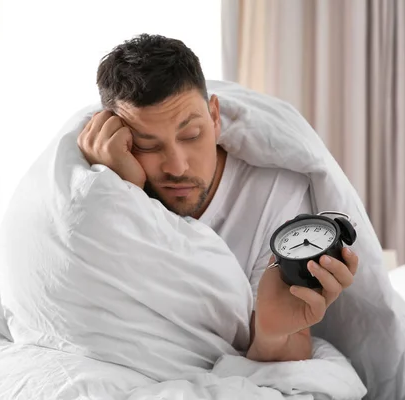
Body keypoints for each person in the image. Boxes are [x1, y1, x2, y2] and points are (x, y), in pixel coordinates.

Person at [77, 34, 359, 362]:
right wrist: (125, 191)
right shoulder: (107, 179)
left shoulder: (275, 193)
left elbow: (288, 347)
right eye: (148, 145)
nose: (178, 166)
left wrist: (270, 332)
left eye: (192, 135)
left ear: (214, 116)